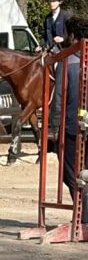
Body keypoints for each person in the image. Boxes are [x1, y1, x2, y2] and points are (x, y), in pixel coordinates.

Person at [48, 15, 88, 217]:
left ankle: (82, 215)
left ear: (72, 36)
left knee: (70, 172)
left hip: (72, 125)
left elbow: (59, 99)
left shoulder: (66, 60)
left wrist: (53, 127)